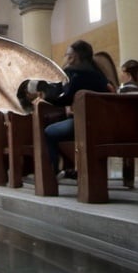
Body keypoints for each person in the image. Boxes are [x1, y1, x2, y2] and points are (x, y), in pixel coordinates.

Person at [26, 39, 112, 179]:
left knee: (48, 132)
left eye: (69, 56)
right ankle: (73, 169)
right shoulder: (99, 75)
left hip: (84, 124)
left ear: (74, 58)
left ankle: (50, 174)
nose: (67, 59)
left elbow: (62, 98)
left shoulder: (75, 75)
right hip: (104, 124)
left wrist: (46, 96)